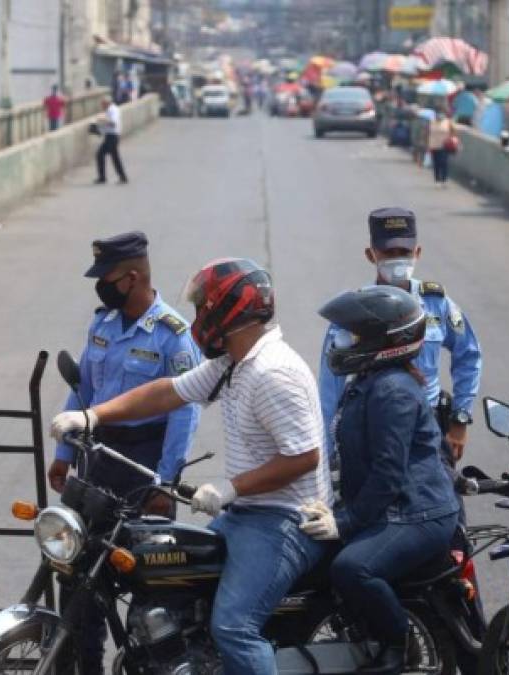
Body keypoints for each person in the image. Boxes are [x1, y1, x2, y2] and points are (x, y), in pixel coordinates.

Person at [52, 258, 330, 674]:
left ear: (230, 310)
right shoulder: (233, 363)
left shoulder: (274, 372)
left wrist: (230, 488)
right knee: (172, 588)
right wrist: (93, 416)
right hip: (245, 516)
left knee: (235, 627)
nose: (199, 317)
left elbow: (304, 456)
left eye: (204, 308)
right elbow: (167, 393)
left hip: (284, 521)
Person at [47, 231, 202, 675]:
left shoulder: (173, 336)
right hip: (96, 459)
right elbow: (83, 394)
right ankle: (81, 665)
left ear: (132, 278)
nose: (100, 285)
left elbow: (182, 414)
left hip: (142, 464)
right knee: (76, 571)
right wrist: (63, 451)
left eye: (107, 277)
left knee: (144, 579)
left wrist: (164, 482)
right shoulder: (103, 323)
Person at [301, 285, 460, 674]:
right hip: (390, 507)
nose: (339, 342)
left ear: (382, 340)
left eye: (349, 335)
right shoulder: (369, 381)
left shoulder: (392, 390)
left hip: (418, 513)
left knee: (353, 568)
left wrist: (345, 521)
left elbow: (388, 474)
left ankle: (397, 642)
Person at [318, 208, 482, 497]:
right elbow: (329, 389)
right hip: (371, 425)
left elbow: (468, 355)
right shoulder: (355, 312)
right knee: (365, 507)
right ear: (371, 255)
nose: (398, 260)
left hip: (428, 428)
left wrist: (460, 420)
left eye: (403, 252)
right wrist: (327, 452)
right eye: (388, 252)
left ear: (417, 252)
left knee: (448, 516)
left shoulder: (437, 304)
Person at [95, 95, 128, 185]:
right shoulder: (109, 110)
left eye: (103, 104)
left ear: (107, 103)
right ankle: (121, 177)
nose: (102, 106)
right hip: (109, 136)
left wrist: (102, 119)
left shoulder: (113, 110)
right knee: (110, 156)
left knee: (105, 155)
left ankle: (104, 177)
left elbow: (113, 123)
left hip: (112, 136)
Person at [427, 112, 458, 184]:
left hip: (444, 145)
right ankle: (437, 179)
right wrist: (427, 145)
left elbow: (454, 131)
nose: (439, 116)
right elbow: (428, 133)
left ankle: (444, 179)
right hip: (434, 145)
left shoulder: (448, 122)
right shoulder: (432, 122)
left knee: (443, 162)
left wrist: (451, 138)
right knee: (436, 163)